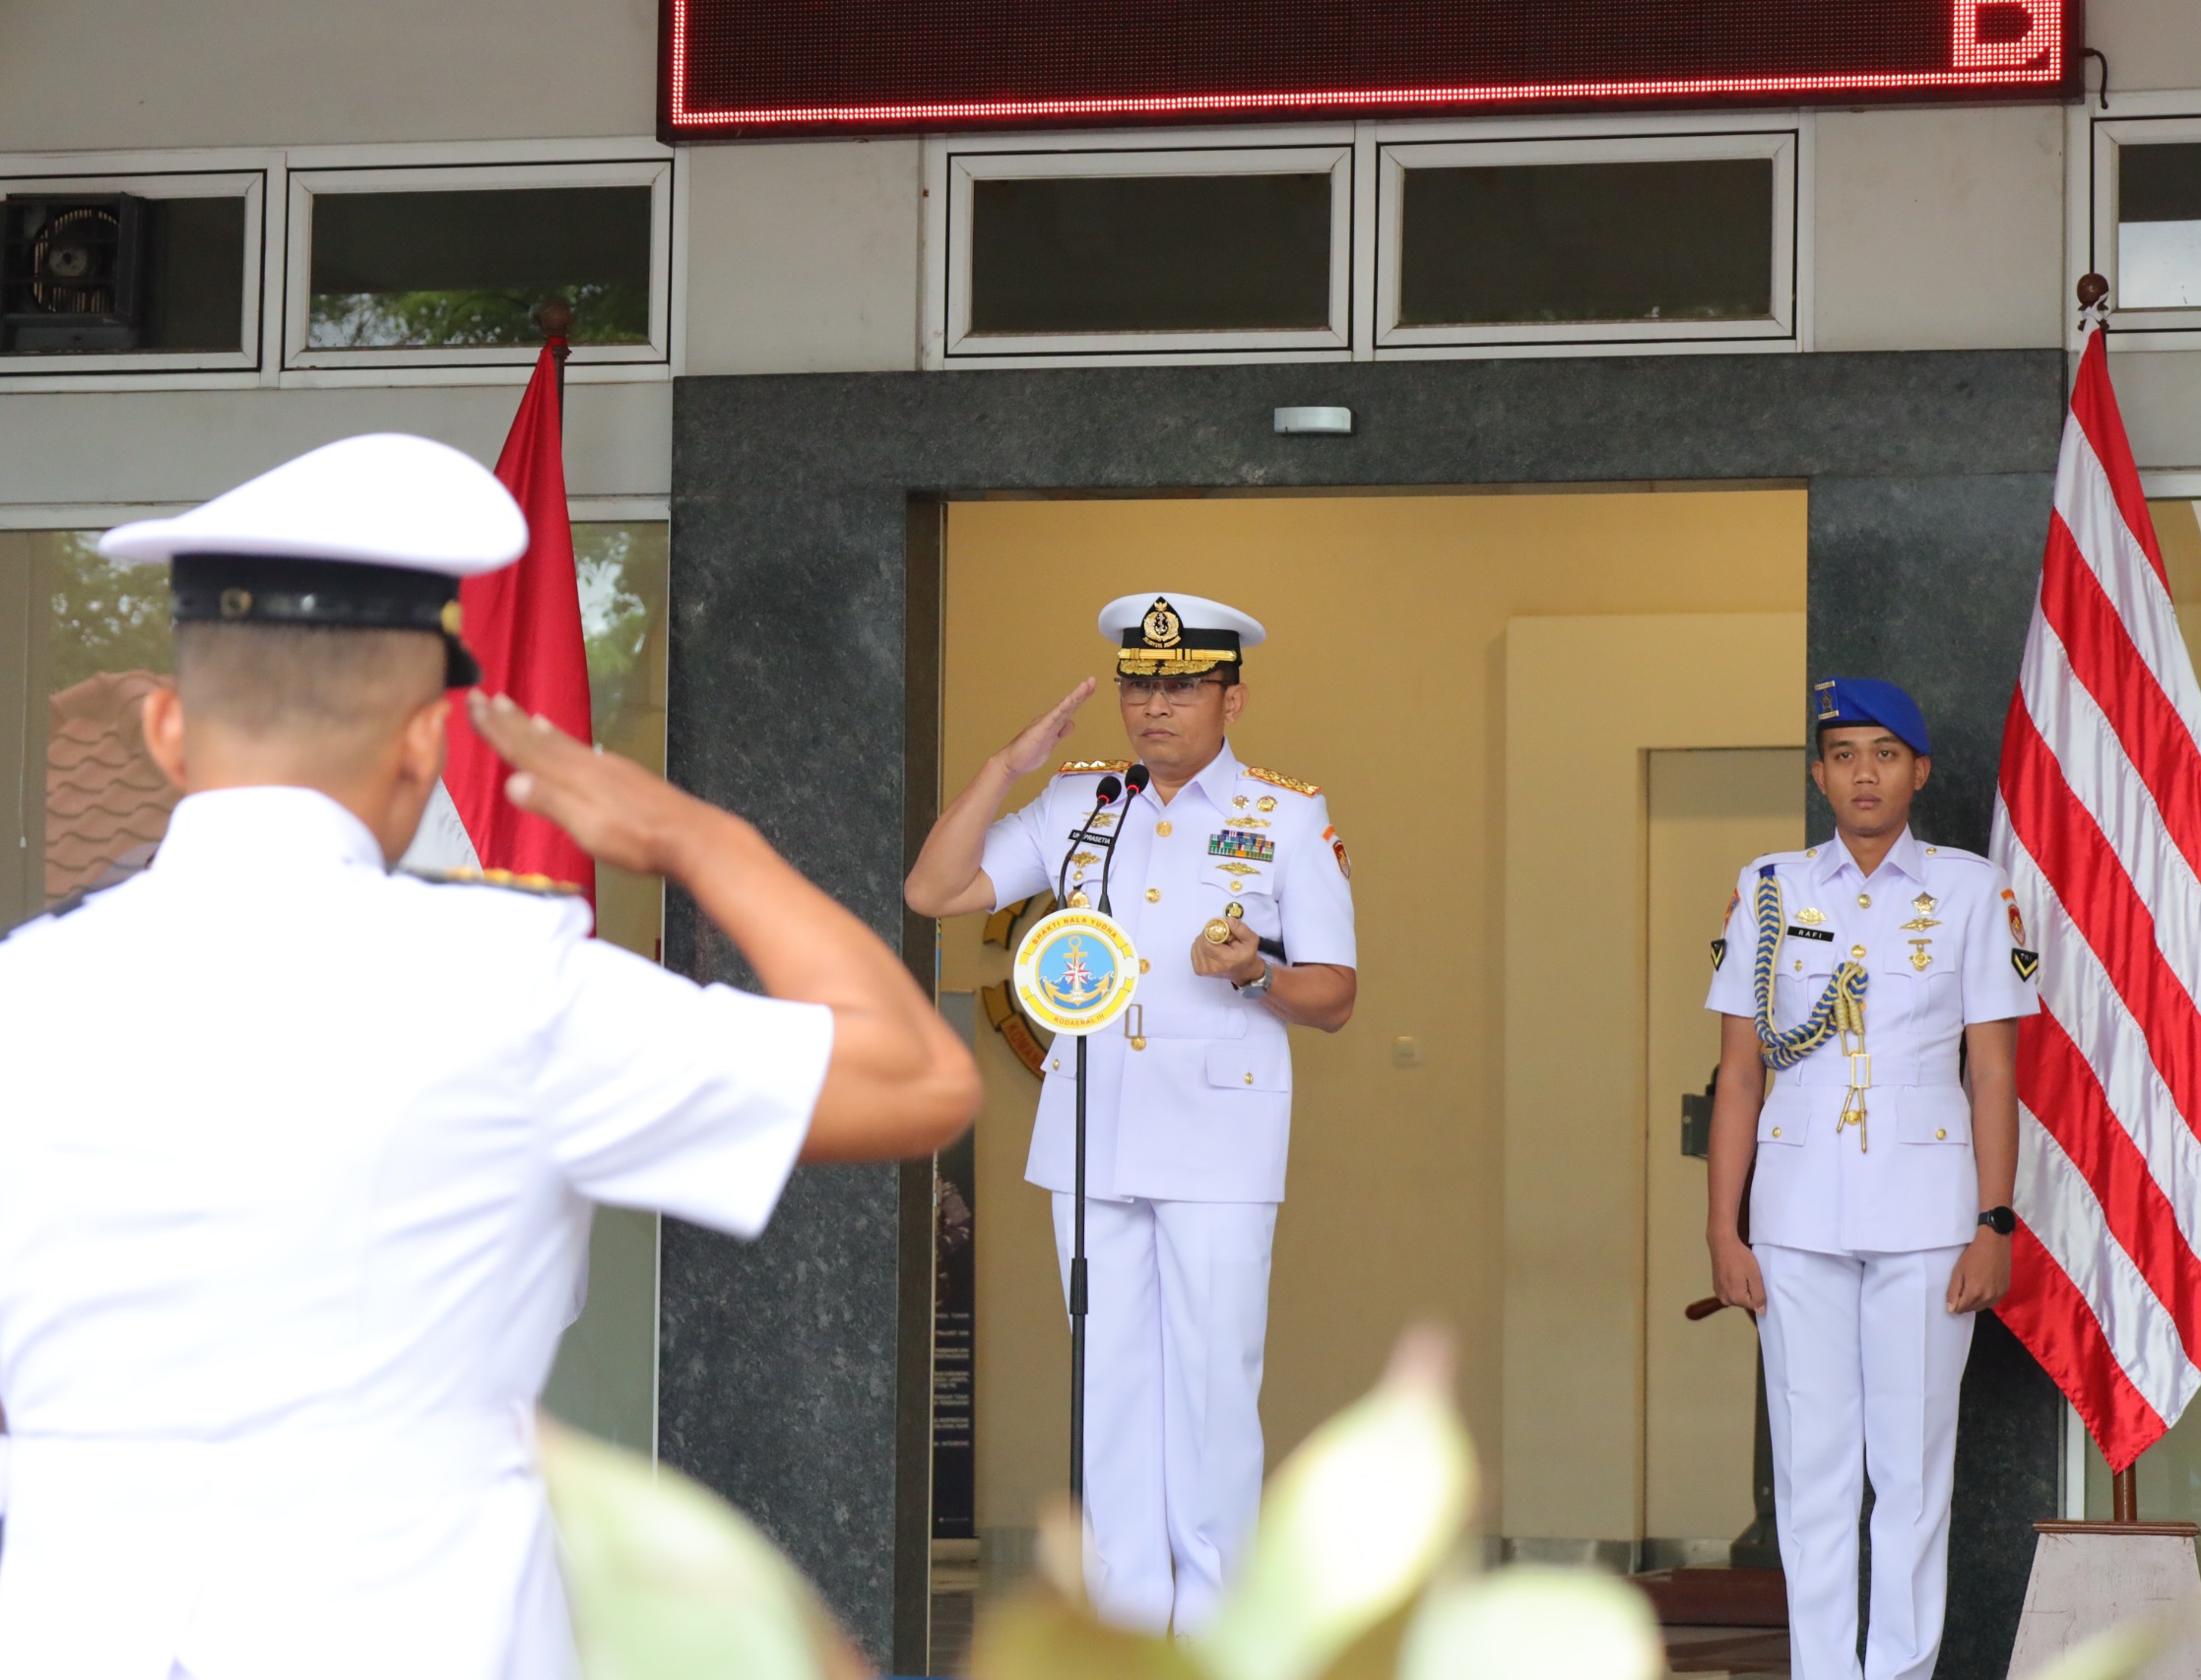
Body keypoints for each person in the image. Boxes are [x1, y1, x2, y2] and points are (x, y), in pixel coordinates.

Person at [0, 433, 980, 1680]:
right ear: (427, 742)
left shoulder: (22, 989)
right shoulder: (510, 985)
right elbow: (916, 1078)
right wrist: (700, 840)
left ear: (165, 729)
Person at [905, 592, 1356, 1634]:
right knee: (1108, 1393)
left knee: (1209, 1392)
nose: (1155, 706)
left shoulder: (1285, 817)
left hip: (1219, 1142)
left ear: (1232, 699)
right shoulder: (1080, 802)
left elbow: (1334, 995)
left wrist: (1254, 975)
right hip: (1092, 1134)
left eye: (1183, 686)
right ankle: (1126, 1628)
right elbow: (935, 889)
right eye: (1138, 685)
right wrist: (1004, 767)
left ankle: (1216, 1633)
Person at [1701, 677, 2038, 1680]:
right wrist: (1723, 1229)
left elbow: (1992, 1072)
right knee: (1811, 1476)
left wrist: (1994, 1221)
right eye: (1843, 754)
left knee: (1911, 1475)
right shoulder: (1770, 888)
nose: (1863, 773)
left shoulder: (1972, 891)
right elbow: (1737, 1075)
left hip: (1929, 1215)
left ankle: (1897, 1671)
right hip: (1795, 1215)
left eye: (1884, 754)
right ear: (1818, 774)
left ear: (1918, 772)